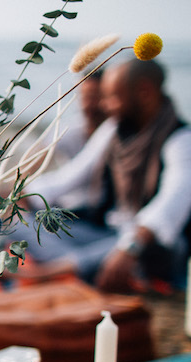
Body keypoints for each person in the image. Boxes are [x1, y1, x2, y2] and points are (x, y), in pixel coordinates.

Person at [19, 58, 191, 292]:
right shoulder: (113, 129)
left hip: (146, 247)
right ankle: (83, 267)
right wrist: (19, 197)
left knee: (155, 246)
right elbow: (69, 177)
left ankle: (52, 272)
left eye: (112, 97)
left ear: (145, 91)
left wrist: (129, 247)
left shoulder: (181, 139)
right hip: (105, 236)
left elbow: (170, 205)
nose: (105, 105)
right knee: (23, 221)